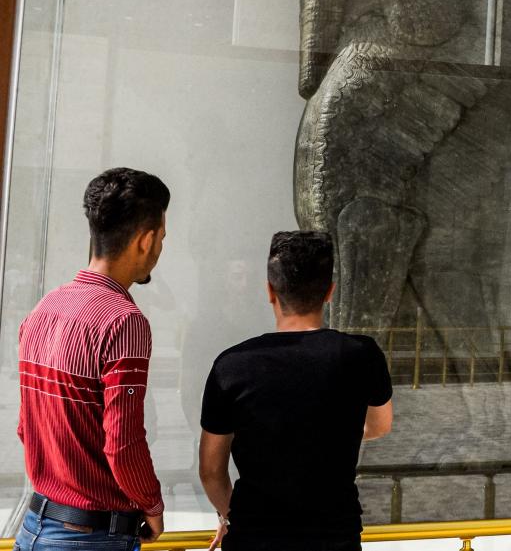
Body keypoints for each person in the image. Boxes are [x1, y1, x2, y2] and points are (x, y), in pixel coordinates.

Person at [199, 231, 393, 551]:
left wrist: (230, 517)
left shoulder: (232, 365)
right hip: (335, 539)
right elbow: (380, 425)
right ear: (329, 292)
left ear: (270, 291)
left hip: (255, 538)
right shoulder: (362, 354)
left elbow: (210, 470)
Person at [15, 167, 170, 549]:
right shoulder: (124, 321)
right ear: (146, 240)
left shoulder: (44, 309)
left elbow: (25, 427)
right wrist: (151, 503)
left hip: (35, 526)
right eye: (162, 237)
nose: (160, 248)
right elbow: (123, 442)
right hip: (92, 535)